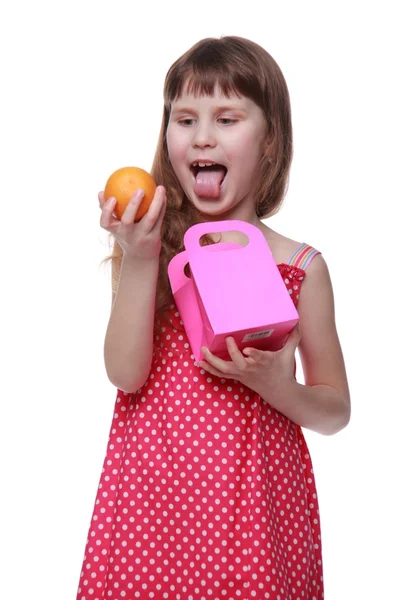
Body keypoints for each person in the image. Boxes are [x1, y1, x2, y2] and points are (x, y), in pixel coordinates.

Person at [76, 36, 351, 600]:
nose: (202, 135)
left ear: (270, 140)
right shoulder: (152, 250)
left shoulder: (300, 268)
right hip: (148, 518)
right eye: (185, 119)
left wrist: (278, 385)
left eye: (227, 118)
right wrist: (141, 256)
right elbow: (126, 375)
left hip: (255, 515)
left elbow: (335, 411)